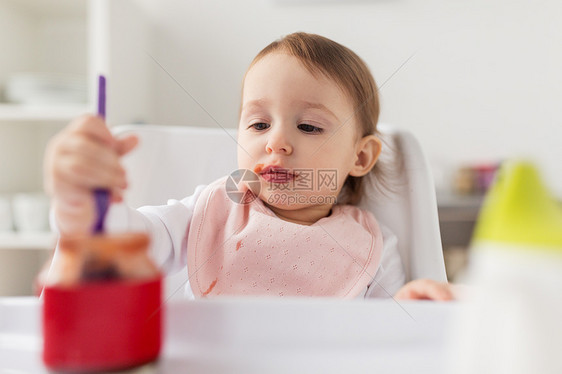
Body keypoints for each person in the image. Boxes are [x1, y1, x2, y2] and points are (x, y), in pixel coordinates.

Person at [44, 32, 457, 300]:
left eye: (309, 126)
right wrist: (88, 204)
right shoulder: (210, 211)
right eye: (259, 124)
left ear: (360, 157)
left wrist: (414, 306)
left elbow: (385, 338)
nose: (275, 141)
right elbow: (129, 240)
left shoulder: (373, 247)